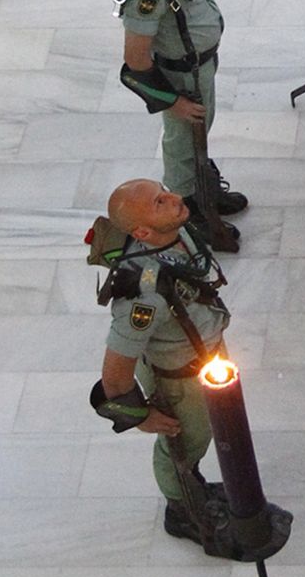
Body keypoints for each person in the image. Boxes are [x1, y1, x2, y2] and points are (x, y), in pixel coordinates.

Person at [105, 0, 246, 253]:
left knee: (201, 133)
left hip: (200, 63)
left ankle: (203, 189)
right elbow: (135, 61)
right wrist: (173, 102)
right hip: (182, 76)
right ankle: (189, 212)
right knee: (183, 143)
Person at [89, 177, 231, 543]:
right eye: (159, 202)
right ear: (142, 231)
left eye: (164, 190)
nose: (173, 199)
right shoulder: (144, 296)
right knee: (185, 441)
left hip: (203, 354)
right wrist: (141, 416)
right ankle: (182, 510)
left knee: (206, 433)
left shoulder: (178, 231)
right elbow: (116, 371)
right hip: (179, 378)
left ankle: (193, 484)